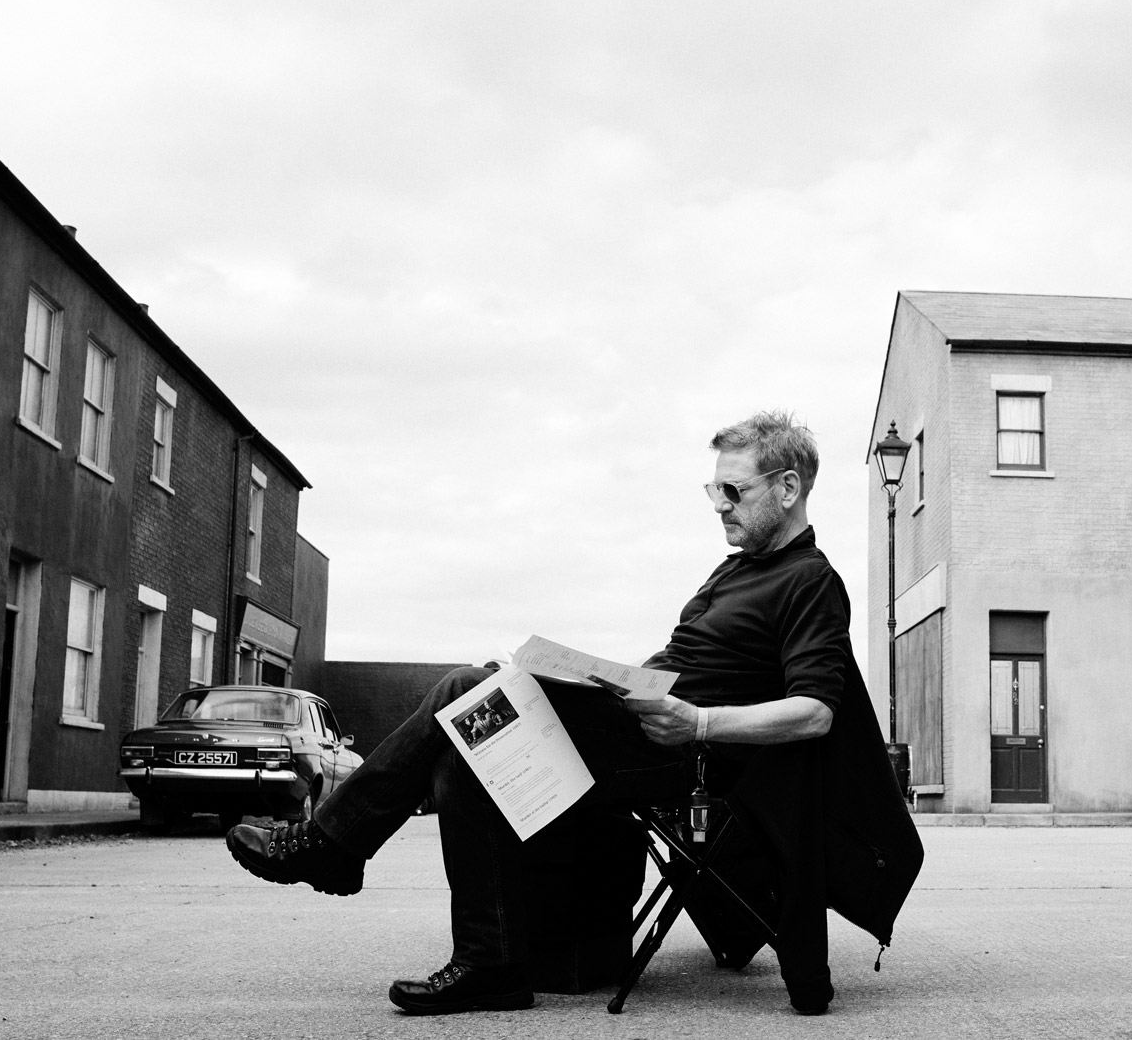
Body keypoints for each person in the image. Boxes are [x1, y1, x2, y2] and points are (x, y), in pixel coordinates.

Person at [226, 411, 917, 1015]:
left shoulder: (810, 581)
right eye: (713, 490)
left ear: (788, 488)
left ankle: (331, 847)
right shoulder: (736, 570)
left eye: (733, 490)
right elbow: (683, 664)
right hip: (638, 728)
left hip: (683, 756)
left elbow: (815, 712)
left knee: (467, 686)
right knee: (469, 734)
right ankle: (492, 965)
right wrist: (593, 679)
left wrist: (699, 723)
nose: (719, 506)